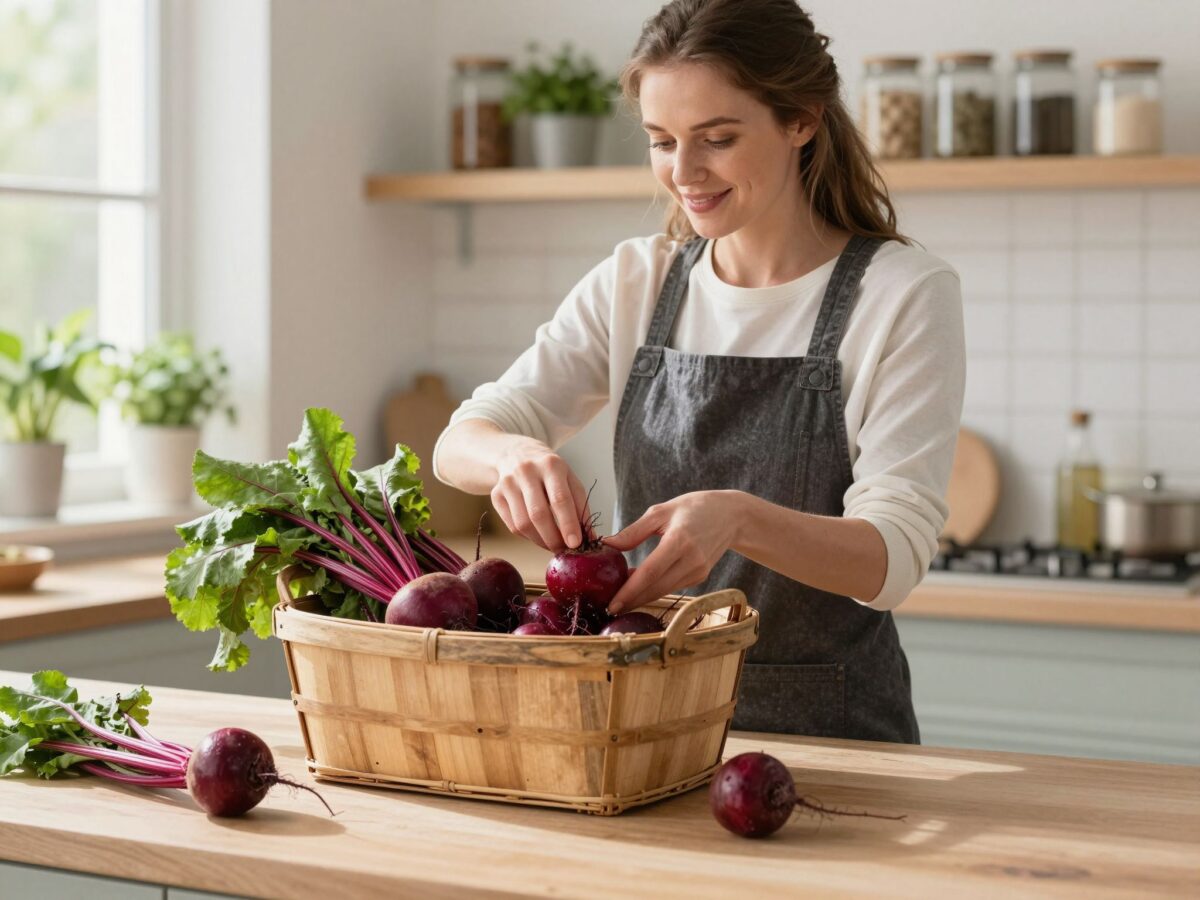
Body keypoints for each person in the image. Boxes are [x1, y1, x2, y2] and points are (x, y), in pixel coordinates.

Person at [433, 0, 965, 743]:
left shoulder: (903, 293)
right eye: (661, 141)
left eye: (716, 138)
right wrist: (512, 454)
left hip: (830, 740)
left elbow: (892, 557)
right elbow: (461, 442)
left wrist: (740, 519)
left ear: (801, 119)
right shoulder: (635, 281)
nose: (683, 173)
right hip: (639, 730)